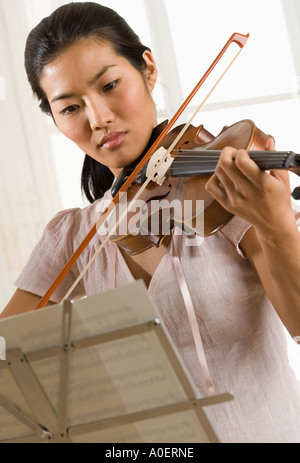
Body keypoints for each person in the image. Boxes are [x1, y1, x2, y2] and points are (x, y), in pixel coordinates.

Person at [1, 1, 300, 443]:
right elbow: (10, 359)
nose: (98, 118)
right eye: (70, 108)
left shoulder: (229, 194)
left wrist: (276, 225)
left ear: (148, 69)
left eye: (110, 85)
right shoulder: (73, 235)